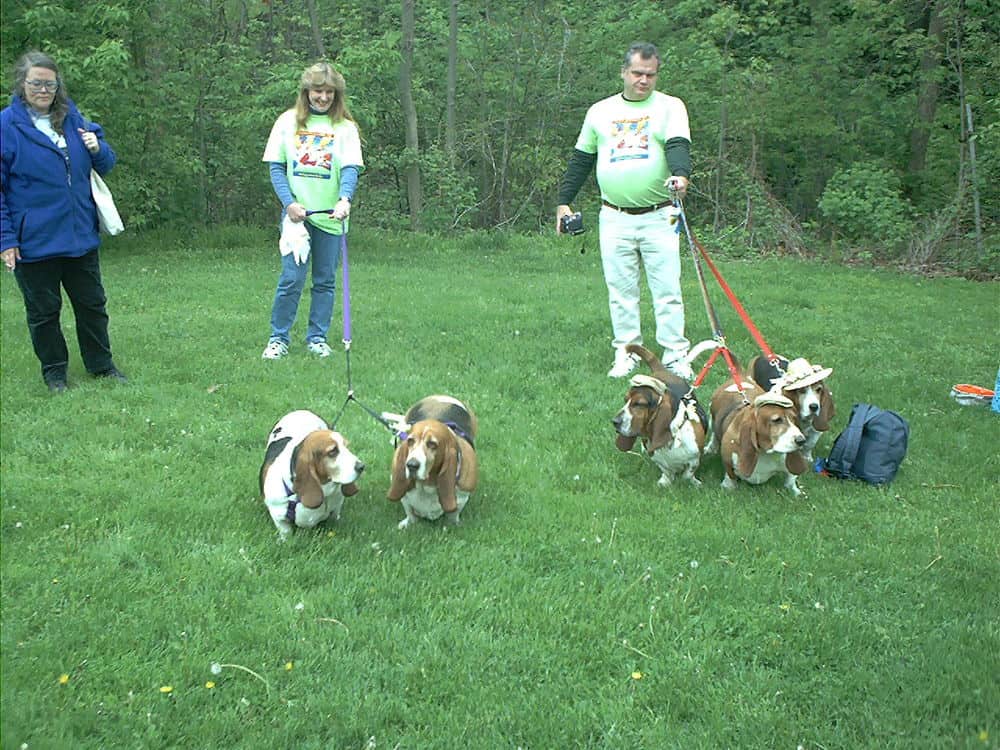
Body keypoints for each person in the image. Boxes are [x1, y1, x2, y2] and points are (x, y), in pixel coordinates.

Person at [557, 42, 694, 380]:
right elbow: (582, 160)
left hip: (662, 214)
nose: (643, 80)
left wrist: (681, 176)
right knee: (621, 291)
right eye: (637, 73)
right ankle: (628, 352)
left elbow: (678, 146)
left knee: (667, 289)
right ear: (624, 72)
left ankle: (675, 356)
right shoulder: (600, 112)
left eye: (650, 74)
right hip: (614, 215)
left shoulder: (671, 107)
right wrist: (563, 200)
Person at [1, 51, 126, 393]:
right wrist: (6, 239)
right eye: (36, 83)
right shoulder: (6, 126)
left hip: (79, 235)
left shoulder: (72, 118)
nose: (43, 90)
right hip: (34, 241)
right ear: (22, 84)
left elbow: (108, 163)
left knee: (92, 306)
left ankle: (101, 366)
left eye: (50, 84)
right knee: (44, 312)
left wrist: (97, 146)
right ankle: (55, 374)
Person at [261, 61, 364, 360]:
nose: (323, 97)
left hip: (331, 218)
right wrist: (288, 204)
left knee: (324, 280)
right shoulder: (287, 122)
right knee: (292, 278)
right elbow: (276, 168)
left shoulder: (345, 129)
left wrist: (345, 199)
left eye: (329, 92)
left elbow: (350, 169)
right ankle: (278, 338)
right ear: (306, 92)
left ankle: (316, 337)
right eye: (318, 91)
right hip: (297, 217)